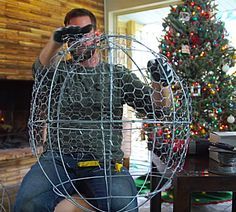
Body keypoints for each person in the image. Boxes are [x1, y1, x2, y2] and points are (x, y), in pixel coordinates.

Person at [14, 8, 173, 212]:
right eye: (73, 34)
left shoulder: (117, 75)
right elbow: (39, 74)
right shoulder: (60, 73)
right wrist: (55, 40)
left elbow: (159, 108)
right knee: (28, 204)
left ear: (96, 36)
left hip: (104, 162)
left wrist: (162, 83)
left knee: (122, 206)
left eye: (85, 31)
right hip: (58, 159)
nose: (79, 39)